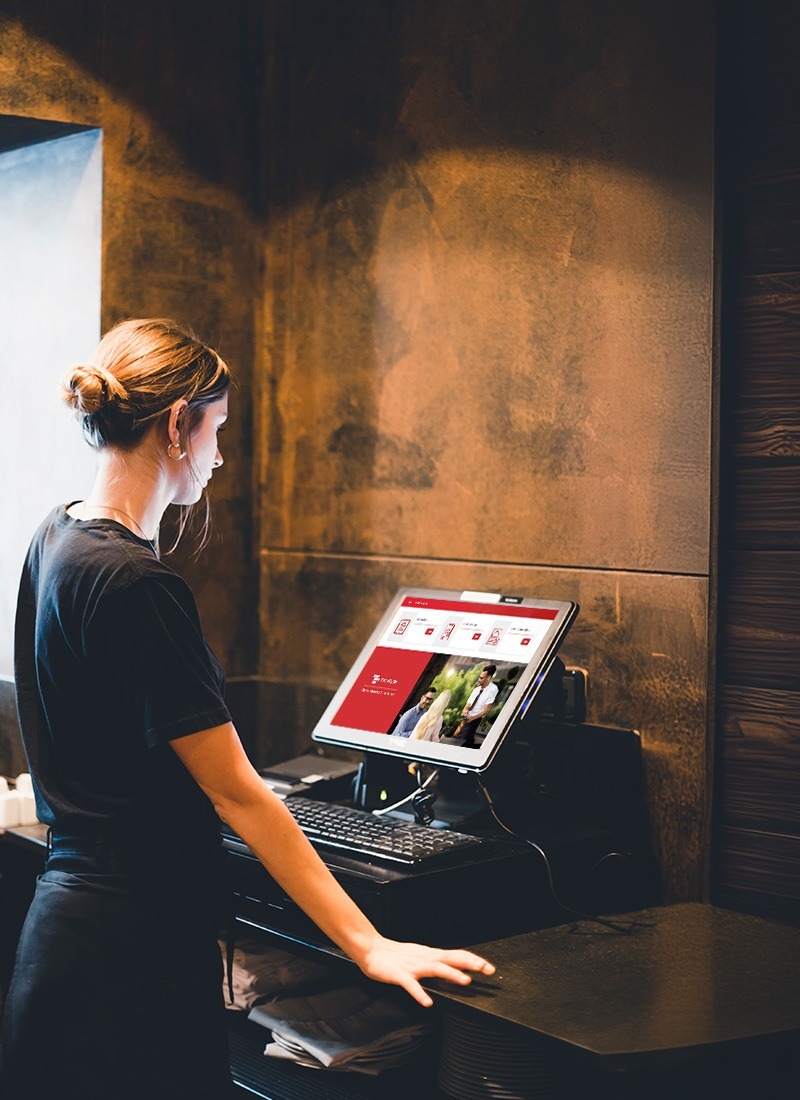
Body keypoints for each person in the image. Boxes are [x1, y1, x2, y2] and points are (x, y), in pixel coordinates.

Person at [0, 319, 494, 1100]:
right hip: (130, 955)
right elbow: (238, 793)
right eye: (217, 429)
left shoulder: (54, 534)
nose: (220, 455)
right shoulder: (139, 585)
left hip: (66, 933)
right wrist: (369, 947)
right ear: (176, 425)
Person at [459, 665, 499, 748]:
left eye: (481, 678)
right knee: (459, 741)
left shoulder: (493, 689)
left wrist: (473, 718)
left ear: (488, 678)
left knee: (463, 743)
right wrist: (465, 710)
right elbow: (467, 705)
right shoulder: (476, 690)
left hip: (475, 720)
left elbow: (486, 710)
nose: (478, 679)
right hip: (466, 719)